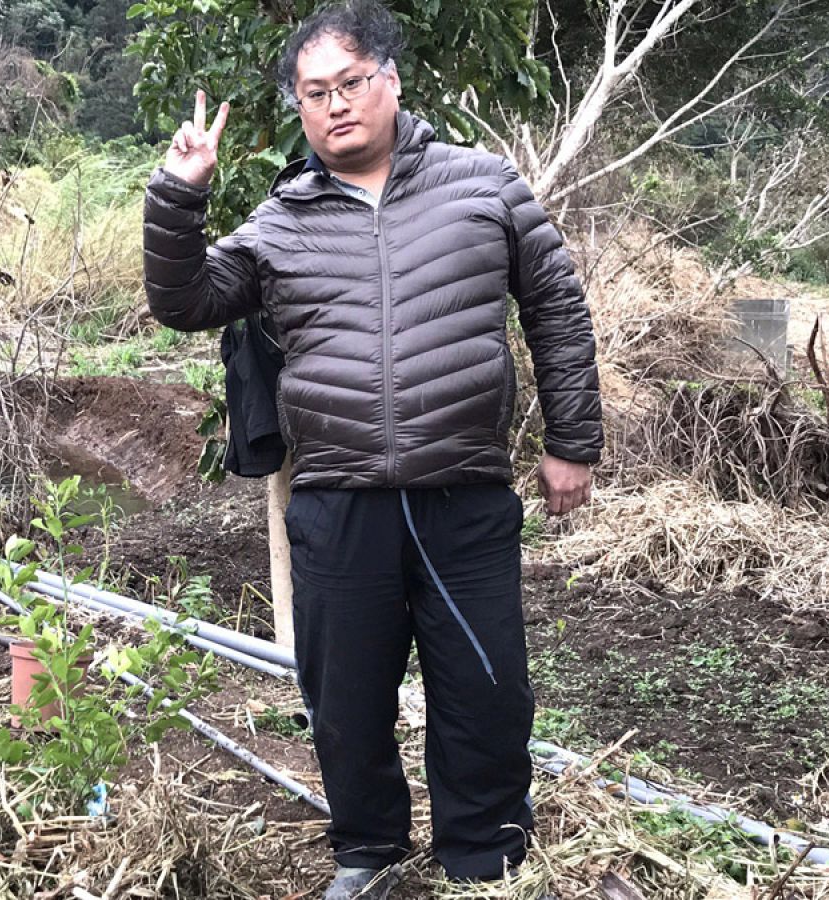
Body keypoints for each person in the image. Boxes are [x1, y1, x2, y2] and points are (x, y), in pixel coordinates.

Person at [141, 1, 602, 895]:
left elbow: (555, 306)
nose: (336, 105)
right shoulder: (282, 220)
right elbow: (185, 301)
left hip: (461, 487)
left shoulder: (484, 186)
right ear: (300, 110)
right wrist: (180, 193)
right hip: (338, 495)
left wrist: (571, 440)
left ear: (391, 81)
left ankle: (484, 856)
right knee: (345, 697)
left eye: (351, 83)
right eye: (315, 93)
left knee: (488, 688)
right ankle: (367, 853)